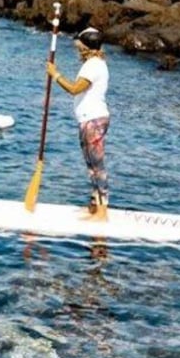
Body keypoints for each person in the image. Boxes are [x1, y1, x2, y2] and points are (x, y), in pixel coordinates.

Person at [47, 26, 111, 221]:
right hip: (88, 119)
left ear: (85, 46)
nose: (76, 48)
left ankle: (102, 212)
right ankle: (94, 206)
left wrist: (55, 74)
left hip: (93, 120)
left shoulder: (93, 65)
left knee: (97, 165)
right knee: (91, 165)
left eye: (79, 45)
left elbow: (75, 89)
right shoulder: (94, 63)